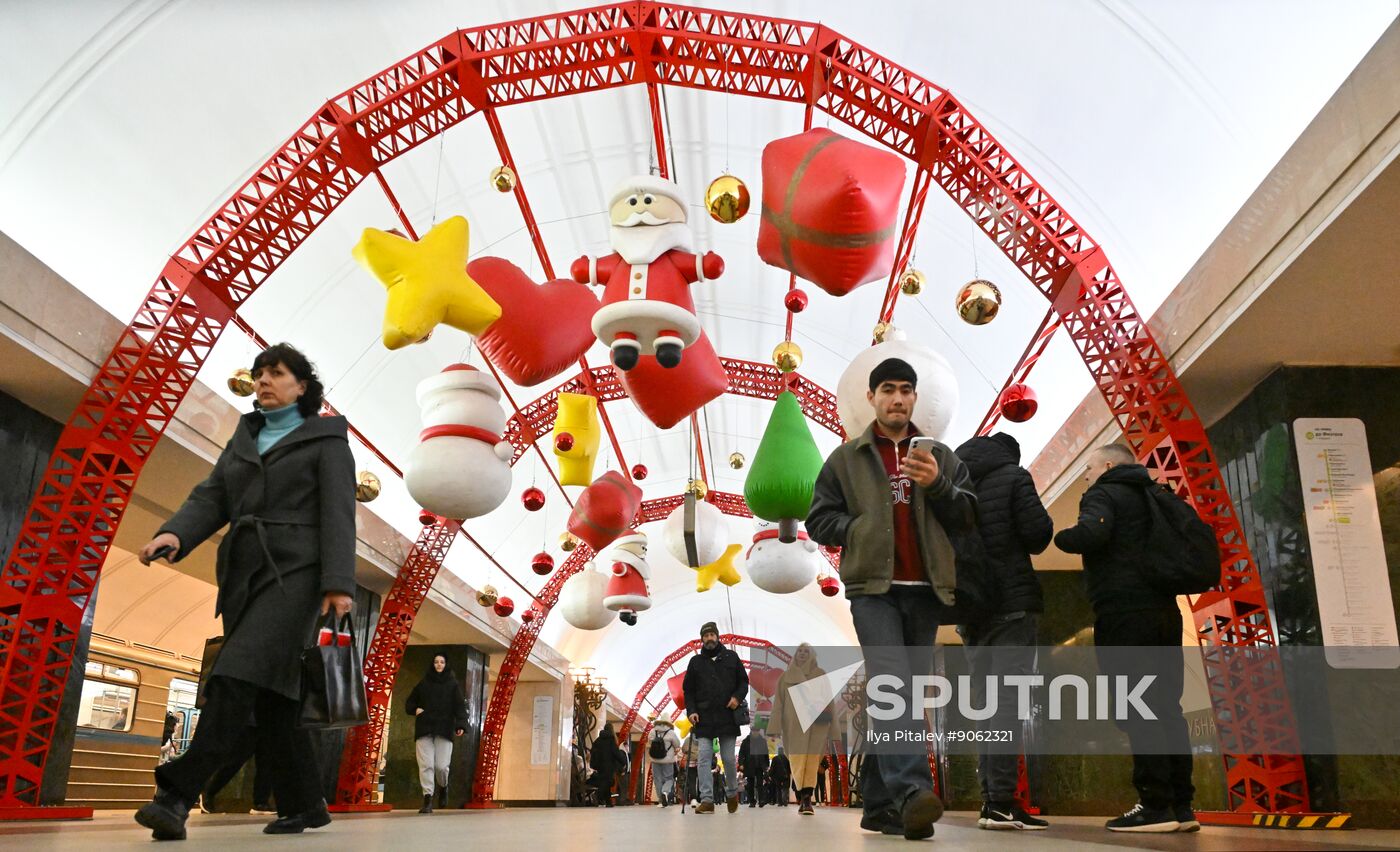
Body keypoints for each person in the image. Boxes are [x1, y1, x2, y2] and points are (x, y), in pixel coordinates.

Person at [133, 343, 356, 841]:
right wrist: (176, 533)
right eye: (258, 375)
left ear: (303, 386)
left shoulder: (328, 442)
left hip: (295, 572)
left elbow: (339, 513)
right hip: (243, 572)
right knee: (274, 695)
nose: (263, 382)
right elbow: (213, 495)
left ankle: (176, 794)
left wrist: (339, 583)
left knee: (235, 675)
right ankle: (304, 803)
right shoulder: (244, 438)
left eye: (276, 374)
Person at [807, 357, 980, 841]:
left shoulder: (941, 456)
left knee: (904, 692)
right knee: (891, 687)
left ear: (915, 398)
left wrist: (938, 485)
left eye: (906, 389)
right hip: (871, 591)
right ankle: (910, 792)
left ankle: (878, 805)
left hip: (924, 590)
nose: (898, 398)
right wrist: (856, 529)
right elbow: (819, 519)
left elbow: (967, 515)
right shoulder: (846, 459)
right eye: (888, 389)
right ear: (872, 398)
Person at [1054, 443, 1196, 833]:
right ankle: (1182, 806)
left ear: (1109, 466)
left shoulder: (1103, 492)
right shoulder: (1155, 494)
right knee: (1167, 707)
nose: (1085, 474)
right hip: (1164, 612)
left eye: (1088, 466)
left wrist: (1061, 537)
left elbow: (1091, 534)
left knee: (1138, 705)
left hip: (1125, 614)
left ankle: (1154, 805)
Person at [954, 432, 1053, 831]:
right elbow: (1038, 535)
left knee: (987, 705)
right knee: (1008, 705)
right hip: (1011, 604)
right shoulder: (1014, 476)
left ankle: (991, 800)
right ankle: (1001, 802)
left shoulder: (952, 482)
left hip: (971, 611)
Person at [682, 622, 749, 814]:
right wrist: (691, 710)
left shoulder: (731, 657)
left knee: (728, 758)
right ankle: (707, 800)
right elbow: (688, 690)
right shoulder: (695, 662)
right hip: (704, 718)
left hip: (727, 716)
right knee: (703, 758)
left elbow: (743, 681)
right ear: (702, 639)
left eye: (712, 635)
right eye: (706, 635)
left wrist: (737, 697)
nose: (709, 638)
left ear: (717, 637)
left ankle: (732, 793)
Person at [767, 644, 832, 815]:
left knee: (811, 761)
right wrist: (774, 728)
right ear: (795, 655)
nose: (803, 654)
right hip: (793, 725)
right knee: (797, 761)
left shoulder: (821, 675)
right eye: (800, 651)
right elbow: (778, 704)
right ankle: (803, 796)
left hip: (817, 724)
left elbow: (829, 702)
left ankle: (807, 799)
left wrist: (834, 731)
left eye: (806, 651)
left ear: (811, 655)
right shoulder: (785, 677)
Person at [405, 654, 468, 814]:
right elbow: (410, 702)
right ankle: (427, 798)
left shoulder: (453, 685)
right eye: (436, 662)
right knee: (426, 765)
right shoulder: (424, 683)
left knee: (441, 766)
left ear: (446, 664)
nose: (439, 665)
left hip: (444, 728)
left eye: (442, 662)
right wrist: (415, 710)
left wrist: (460, 724)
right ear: (432, 664)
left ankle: (443, 786)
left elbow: (460, 707)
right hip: (424, 727)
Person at [197, 718, 275, 815]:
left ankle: (261, 802)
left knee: (266, 764)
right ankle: (208, 791)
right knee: (234, 761)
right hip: (251, 722)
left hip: (269, 724)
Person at [589, 723, 628, 807]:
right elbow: (616, 753)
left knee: (605, 781)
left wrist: (593, 764)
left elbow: (592, 752)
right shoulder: (611, 740)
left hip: (599, 765)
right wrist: (623, 761)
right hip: (609, 765)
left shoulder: (597, 740)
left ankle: (608, 802)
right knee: (609, 781)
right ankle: (597, 795)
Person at [648, 718, 682, 807]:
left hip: (655, 759)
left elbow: (649, 742)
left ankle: (660, 801)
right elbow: (677, 744)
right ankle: (665, 791)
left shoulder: (652, 731)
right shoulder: (671, 732)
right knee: (669, 778)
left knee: (657, 779)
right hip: (667, 759)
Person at [740, 729, 769, 808]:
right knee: (750, 785)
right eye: (754, 731)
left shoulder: (762, 741)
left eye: (757, 731)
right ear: (751, 731)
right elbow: (741, 753)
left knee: (760, 784)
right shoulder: (746, 741)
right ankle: (752, 801)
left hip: (760, 765)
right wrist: (741, 763)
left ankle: (761, 800)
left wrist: (766, 765)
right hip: (749, 765)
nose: (755, 732)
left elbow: (766, 753)